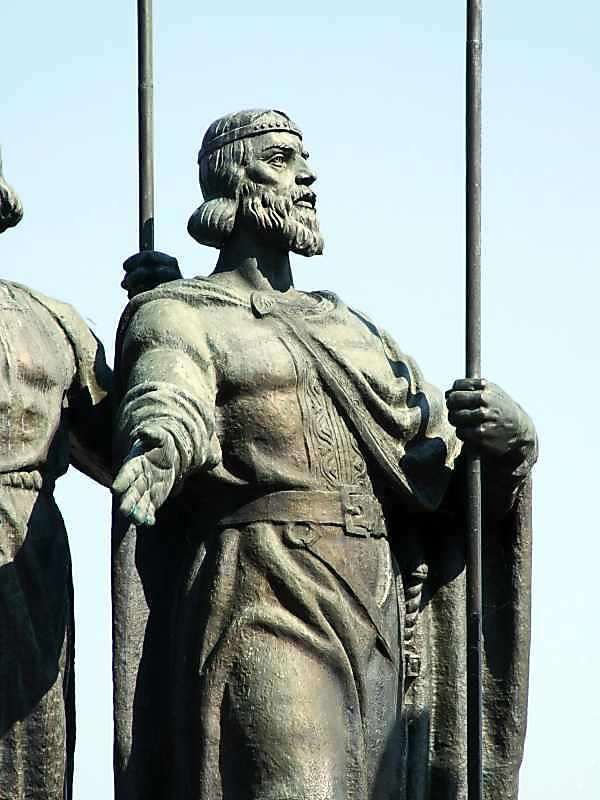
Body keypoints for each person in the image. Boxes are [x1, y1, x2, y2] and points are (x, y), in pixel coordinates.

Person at [112, 109, 537, 800]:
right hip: (265, 589)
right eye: (282, 159)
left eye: (305, 160)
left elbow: (436, 451)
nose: (306, 177)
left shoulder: (352, 327)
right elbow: (170, 389)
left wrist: (511, 442)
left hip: (374, 602)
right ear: (234, 181)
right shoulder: (181, 311)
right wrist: (161, 444)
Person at [0, 158, 174, 800]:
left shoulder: (53, 322)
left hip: (26, 554)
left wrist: (161, 318)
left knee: (30, 754)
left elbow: (123, 449)